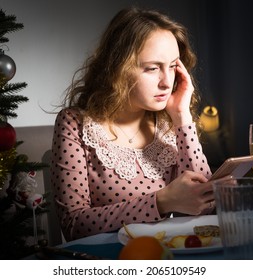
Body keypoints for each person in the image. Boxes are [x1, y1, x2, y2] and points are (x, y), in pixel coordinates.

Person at [50, 7, 214, 242]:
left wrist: (182, 116)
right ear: (118, 68)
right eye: (152, 68)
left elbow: (206, 207)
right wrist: (160, 201)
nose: (167, 82)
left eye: (172, 66)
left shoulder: (169, 122)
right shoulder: (75, 123)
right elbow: (74, 225)